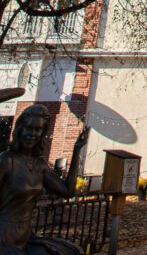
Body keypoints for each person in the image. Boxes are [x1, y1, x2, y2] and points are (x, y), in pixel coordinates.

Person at [0, 104, 88, 255]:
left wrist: (77, 150)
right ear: (21, 128)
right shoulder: (7, 160)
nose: (32, 134)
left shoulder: (39, 164)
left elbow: (67, 191)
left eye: (37, 130)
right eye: (29, 128)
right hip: (3, 234)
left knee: (71, 251)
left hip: (26, 234)